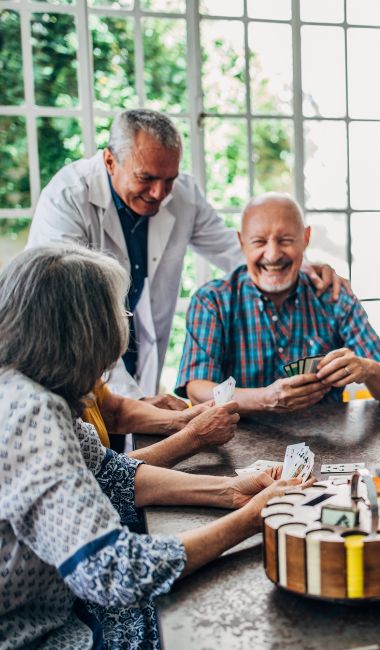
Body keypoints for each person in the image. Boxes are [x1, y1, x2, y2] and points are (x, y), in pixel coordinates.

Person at [0, 245, 302, 648]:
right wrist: (250, 519)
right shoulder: (29, 413)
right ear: (83, 335)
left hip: (60, 606)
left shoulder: (24, 386)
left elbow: (108, 473)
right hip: (38, 634)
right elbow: (116, 571)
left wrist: (230, 491)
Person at [26, 108, 346, 405]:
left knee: (131, 453)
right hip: (69, 359)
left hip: (136, 350)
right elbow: (70, 316)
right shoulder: (68, 199)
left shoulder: (183, 195)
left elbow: (233, 250)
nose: (159, 193)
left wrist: (304, 269)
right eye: (146, 178)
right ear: (110, 162)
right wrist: (131, 404)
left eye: (169, 179)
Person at [176, 193, 380, 411]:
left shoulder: (333, 296)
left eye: (285, 240)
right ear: (241, 242)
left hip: (327, 442)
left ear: (305, 238)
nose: (273, 254)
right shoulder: (212, 301)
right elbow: (197, 390)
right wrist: (265, 399)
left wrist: (367, 368)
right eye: (259, 242)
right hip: (235, 439)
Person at [82, 379, 239, 468]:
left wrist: (180, 420)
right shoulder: (58, 406)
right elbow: (105, 472)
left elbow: (115, 411)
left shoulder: (85, 371)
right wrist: (194, 437)